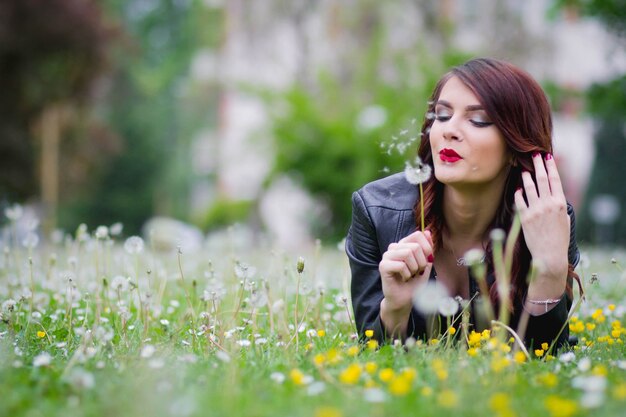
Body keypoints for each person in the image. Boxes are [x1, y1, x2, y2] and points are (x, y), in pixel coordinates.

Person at [346, 57, 580, 349]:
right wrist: (395, 308)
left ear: (515, 144)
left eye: (478, 120)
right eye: (442, 116)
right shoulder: (376, 211)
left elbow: (543, 360)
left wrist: (549, 273)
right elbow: (375, 356)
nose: (448, 130)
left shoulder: (549, 220)